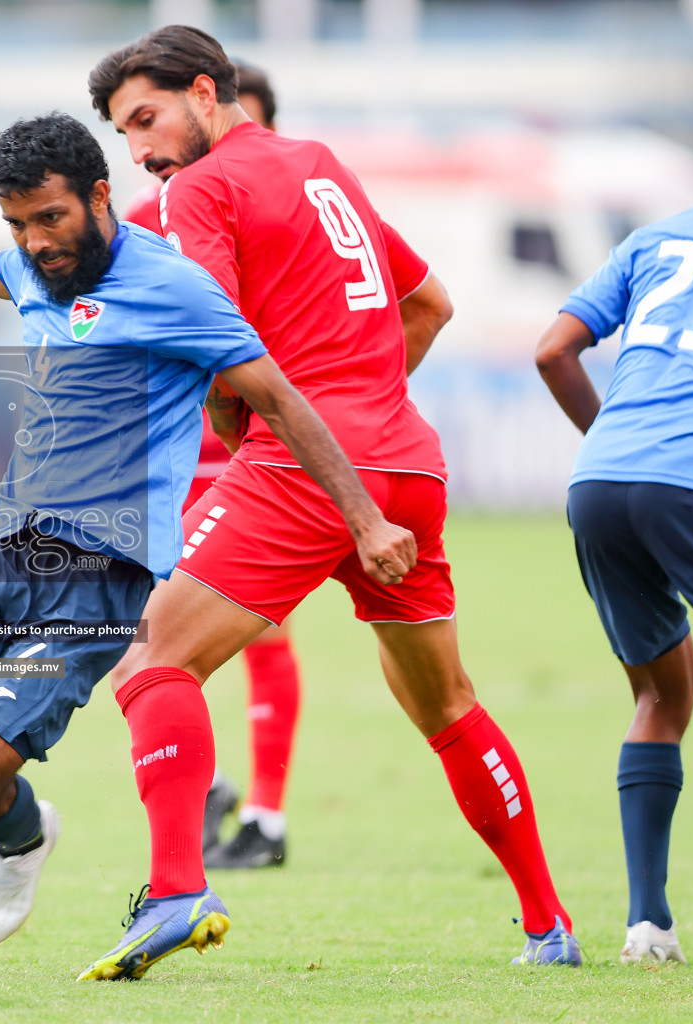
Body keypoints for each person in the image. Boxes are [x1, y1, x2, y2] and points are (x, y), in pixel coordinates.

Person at [0, 112, 416, 990]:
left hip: (100, 579)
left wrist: (367, 520)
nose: (35, 242)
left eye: (50, 219)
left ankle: (25, 838)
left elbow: (282, 400)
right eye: (19, 225)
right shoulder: (33, 269)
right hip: (4, 551)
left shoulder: (175, 287)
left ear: (100, 195)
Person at [79, 26, 579, 979]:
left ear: (202, 91)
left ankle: (179, 889)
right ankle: (549, 925)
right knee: (445, 704)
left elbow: (211, 341)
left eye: (145, 119)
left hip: (305, 469)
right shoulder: (319, 164)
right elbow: (428, 303)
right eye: (121, 134)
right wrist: (369, 407)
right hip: (408, 464)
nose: (138, 149)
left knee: (150, 655)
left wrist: (252, 437)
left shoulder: (198, 189)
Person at [123, 60, 453, 870]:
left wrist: (329, 420)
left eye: (147, 123)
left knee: (188, 644)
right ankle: (208, 795)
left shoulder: (218, 188)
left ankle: (233, 835)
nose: (147, 149)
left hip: (278, 458)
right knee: (162, 645)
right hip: (187, 458)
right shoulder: (156, 208)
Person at [535, 112, 693, 966]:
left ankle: (648, 925)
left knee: (661, 697)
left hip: (600, 483)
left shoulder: (655, 239)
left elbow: (554, 351)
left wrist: (616, 444)